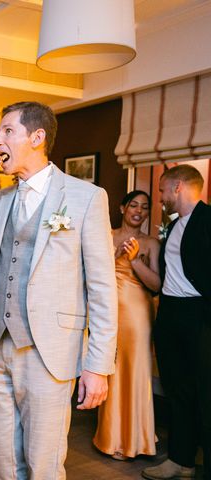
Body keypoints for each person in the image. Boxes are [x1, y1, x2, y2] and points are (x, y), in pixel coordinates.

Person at [0, 101, 117, 479]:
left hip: (51, 351)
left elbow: (103, 288)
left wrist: (98, 366)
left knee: (43, 462)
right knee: (3, 459)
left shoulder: (86, 197)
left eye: (6, 131)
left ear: (37, 137)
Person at [142, 165, 211, 480]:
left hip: (200, 316)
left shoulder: (209, 221)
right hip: (169, 313)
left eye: (162, 190)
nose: (160, 197)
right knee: (177, 390)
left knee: (205, 392)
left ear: (178, 187)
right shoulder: (170, 226)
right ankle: (180, 460)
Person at [93, 190, 160, 460]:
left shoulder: (152, 243)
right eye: (134, 204)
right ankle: (111, 437)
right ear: (122, 207)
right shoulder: (105, 235)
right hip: (107, 313)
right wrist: (114, 254)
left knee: (136, 371)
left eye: (145, 207)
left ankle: (138, 438)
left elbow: (156, 286)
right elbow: (92, 275)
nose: (139, 211)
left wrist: (133, 260)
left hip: (138, 315)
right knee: (109, 370)